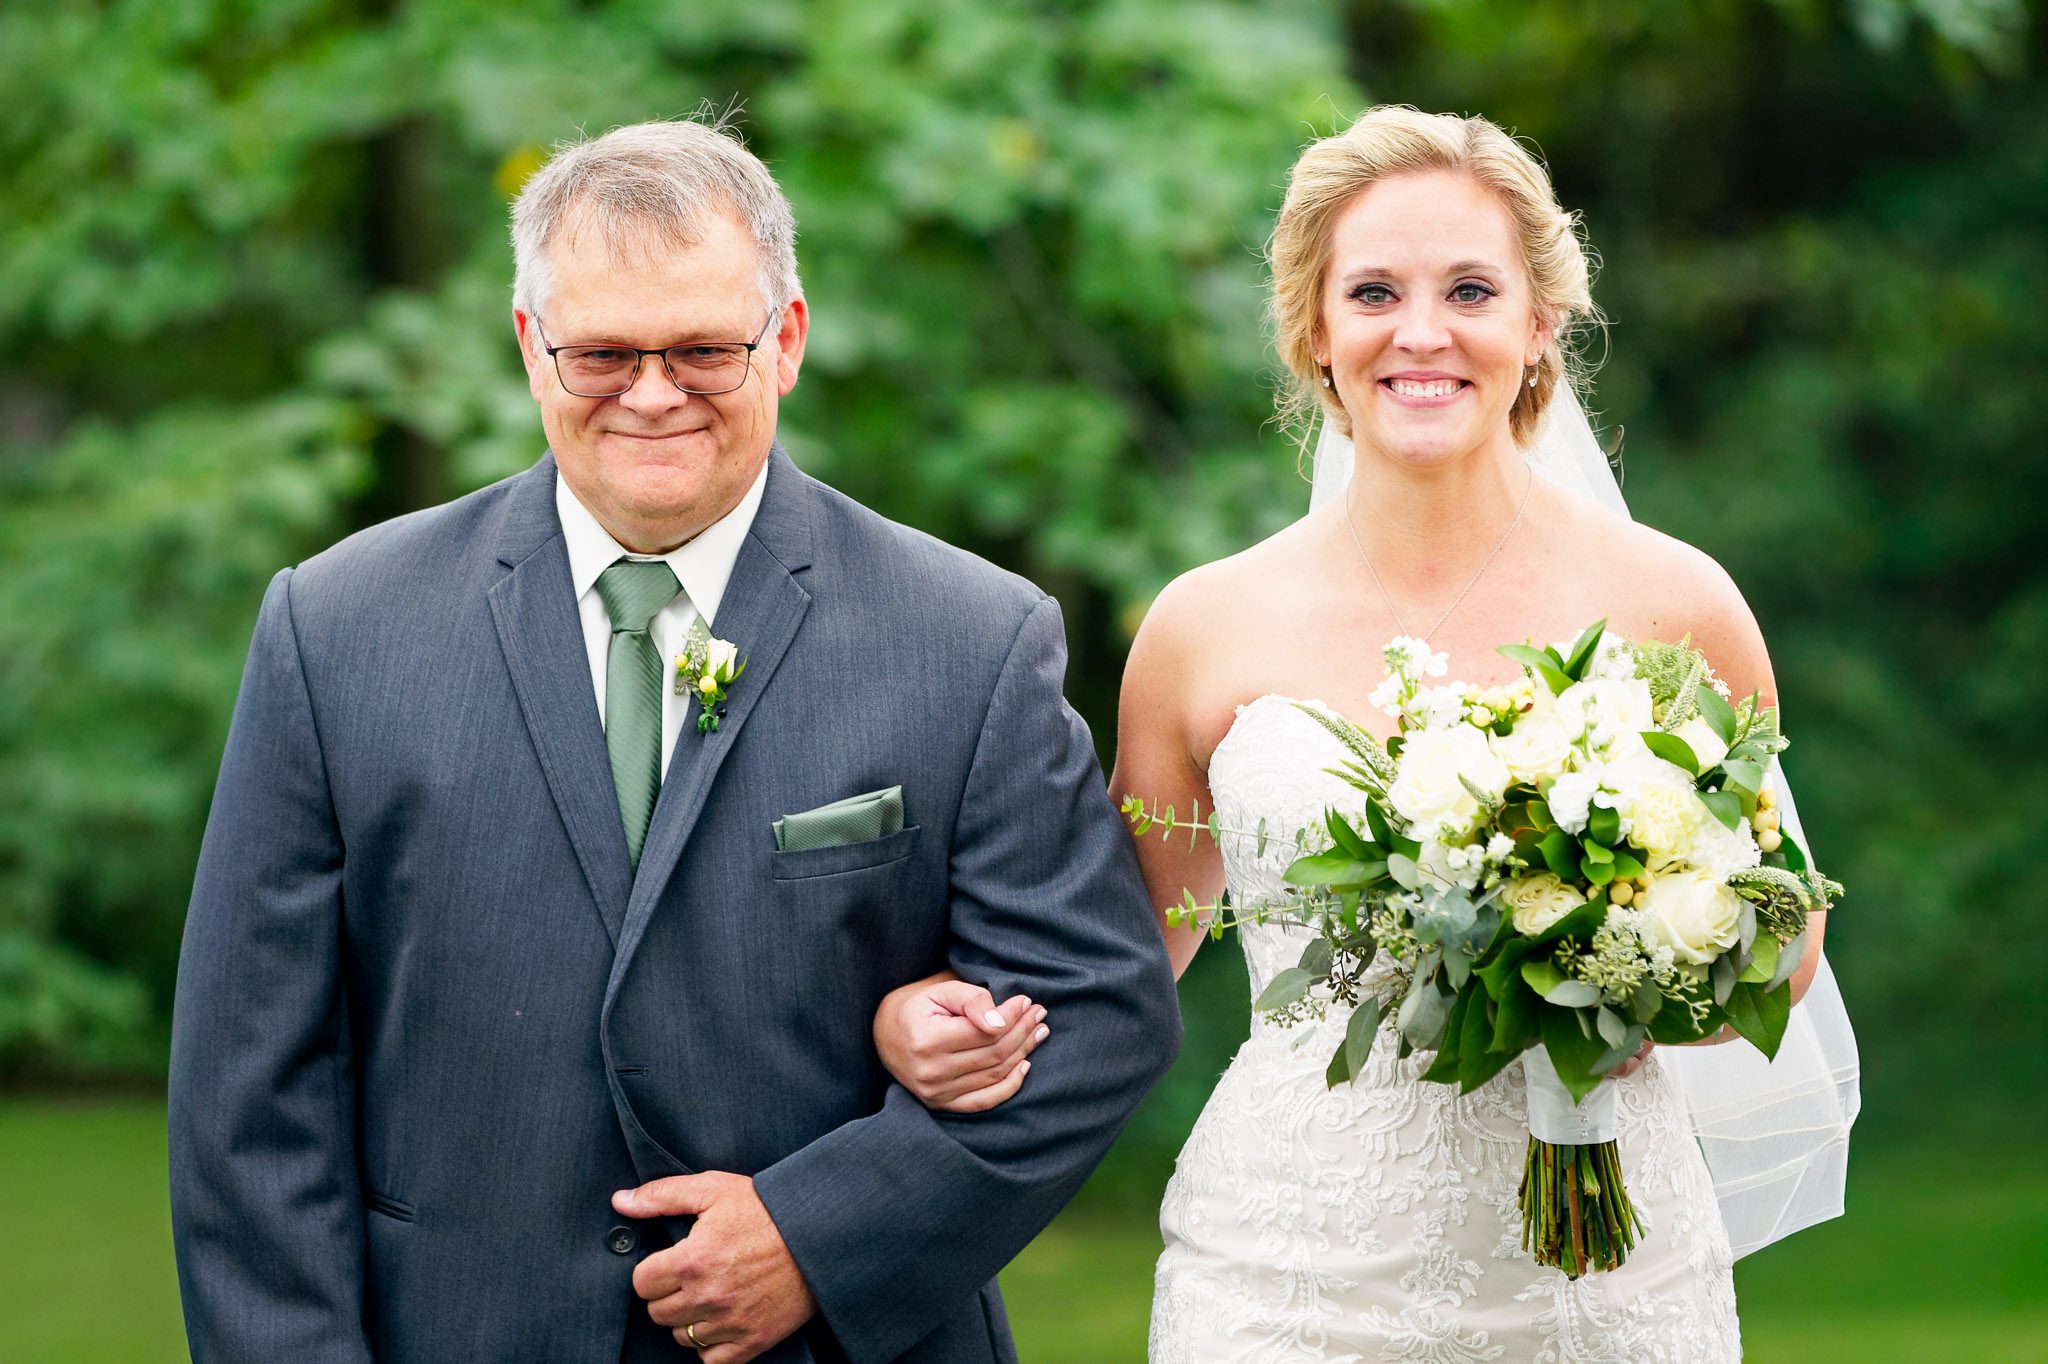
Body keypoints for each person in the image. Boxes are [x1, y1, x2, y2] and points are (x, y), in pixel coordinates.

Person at [167, 116, 1181, 1364]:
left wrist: (820, 1237)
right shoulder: (335, 630)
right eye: (601, 353)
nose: (653, 394)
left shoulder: (969, 636)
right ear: (531, 346)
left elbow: (1094, 1009)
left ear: (788, 340)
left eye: (703, 348)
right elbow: (248, 1094)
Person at [875, 106, 1851, 1360]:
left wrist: (1613, 970)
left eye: (1469, 289)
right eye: (1374, 290)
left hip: (1602, 1284)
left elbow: (1779, 950)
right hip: (1287, 1271)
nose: (1421, 331)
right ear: (1314, 331)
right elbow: (1113, 955)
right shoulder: (1201, 627)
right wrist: (939, 1013)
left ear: (1538, 324)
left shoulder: (1677, 602)